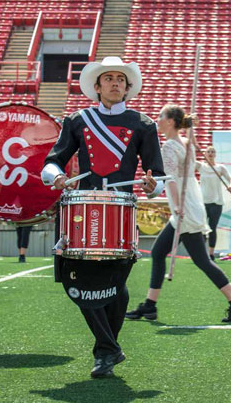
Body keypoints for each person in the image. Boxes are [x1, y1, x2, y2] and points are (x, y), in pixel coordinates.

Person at [42, 56, 164, 378]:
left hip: (120, 210)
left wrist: (153, 185)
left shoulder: (143, 124)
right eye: (108, 78)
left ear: (127, 87)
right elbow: (53, 161)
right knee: (80, 282)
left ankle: (106, 350)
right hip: (82, 210)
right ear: (97, 86)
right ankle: (108, 350)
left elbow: (158, 176)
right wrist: (54, 175)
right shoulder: (77, 120)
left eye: (120, 80)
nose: (115, 83)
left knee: (117, 286)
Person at [125, 105, 231, 322]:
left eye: (162, 116)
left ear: (171, 121)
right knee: (159, 254)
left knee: (202, 261)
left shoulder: (170, 146)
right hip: (190, 205)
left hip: (184, 208)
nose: (158, 119)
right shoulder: (186, 143)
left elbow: (171, 179)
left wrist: (178, 207)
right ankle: (150, 305)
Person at [198, 145, 231, 261]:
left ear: (215, 154)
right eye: (208, 151)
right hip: (203, 202)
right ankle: (201, 253)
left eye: (213, 151)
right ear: (204, 154)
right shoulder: (201, 166)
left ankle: (211, 254)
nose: (210, 153)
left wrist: (230, 186)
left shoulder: (220, 168)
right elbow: (189, 162)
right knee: (202, 228)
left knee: (212, 227)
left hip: (217, 202)